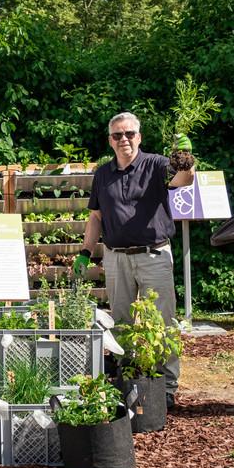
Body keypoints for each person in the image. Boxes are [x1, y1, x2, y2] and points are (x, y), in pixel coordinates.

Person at [74, 113, 195, 408]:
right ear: (110, 141)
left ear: (139, 137)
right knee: (121, 323)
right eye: (117, 135)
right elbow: (95, 217)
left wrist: (187, 159)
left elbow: (183, 179)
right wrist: (85, 252)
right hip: (116, 258)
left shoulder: (155, 164)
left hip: (153, 254)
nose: (124, 139)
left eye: (129, 134)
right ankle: (126, 378)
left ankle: (166, 385)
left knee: (163, 321)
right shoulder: (103, 174)